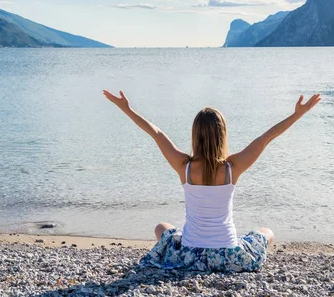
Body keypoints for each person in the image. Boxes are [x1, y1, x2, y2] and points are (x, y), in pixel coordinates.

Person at [102, 90, 321, 272]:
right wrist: (297, 115)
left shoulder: (184, 167)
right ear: (222, 135)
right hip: (227, 255)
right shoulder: (232, 167)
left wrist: (127, 109)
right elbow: (266, 139)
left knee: (161, 227)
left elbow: (156, 133)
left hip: (189, 255)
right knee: (267, 232)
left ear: (195, 135)